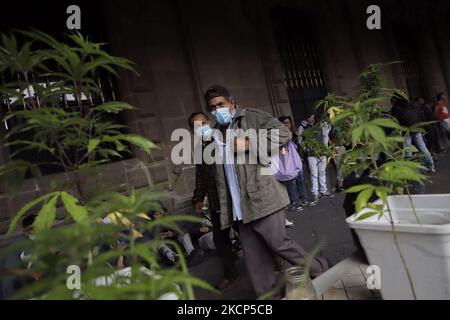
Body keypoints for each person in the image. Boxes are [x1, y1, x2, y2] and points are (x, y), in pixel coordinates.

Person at [204, 85, 329, 298]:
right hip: (239, 207)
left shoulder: (252, 118)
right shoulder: (215, 134)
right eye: (212, 108)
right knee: (255, 260)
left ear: (232, 103)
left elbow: (284, 133)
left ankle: (321, 269)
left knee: (279, 243)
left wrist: (250, 143)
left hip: (263, 197)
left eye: (220, 105)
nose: (217, 110)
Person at [189, 111, 238, 289]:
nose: (201, 128)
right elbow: (200, 176)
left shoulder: (221, 139)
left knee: (248, 232)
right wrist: (199, 198)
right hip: (216, 202)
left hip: (234, 198)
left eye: (203, 123)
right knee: (220, 239)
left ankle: (270, 258)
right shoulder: (199, 148)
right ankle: (230, 273)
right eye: (196, 126)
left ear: (209, 122)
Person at [297, 112, 335, 205]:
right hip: (311, 154)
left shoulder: (320, 125)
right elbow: (300, 140)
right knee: (314, 173)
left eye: (312, 116)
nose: (311, 119)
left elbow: (325, 135)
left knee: (322, 171)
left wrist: (326, 148)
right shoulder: (303, 127)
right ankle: (315, 193)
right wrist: (306, 149)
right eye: (309, 117)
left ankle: (323, 190)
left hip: (321, 152)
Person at [1, 214, 42, 299]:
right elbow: (7, 271)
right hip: (13, 290)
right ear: (24, 231)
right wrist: (29, 272)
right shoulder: (19, 245)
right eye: (31, 228)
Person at [391, 95, 435, 173]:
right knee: (423, 148)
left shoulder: (395, 108)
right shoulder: (410, 105)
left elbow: (395, 122)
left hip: (405, 131)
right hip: (415, 128)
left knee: (408, 151)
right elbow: (419, 116)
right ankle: (431, 166)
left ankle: (411, 170)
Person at [279, 116, 310, 208]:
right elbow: (277, 151)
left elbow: (299, 146)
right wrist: (289, 153)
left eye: (288, 122)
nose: (287, 124)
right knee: (291, 184)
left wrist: (300, 155)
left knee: (301, 182)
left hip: (298, 162)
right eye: (284, 123)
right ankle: (293, 203)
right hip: (288, 164)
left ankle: (304, 200)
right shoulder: (280, 136)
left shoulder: (295, 134)